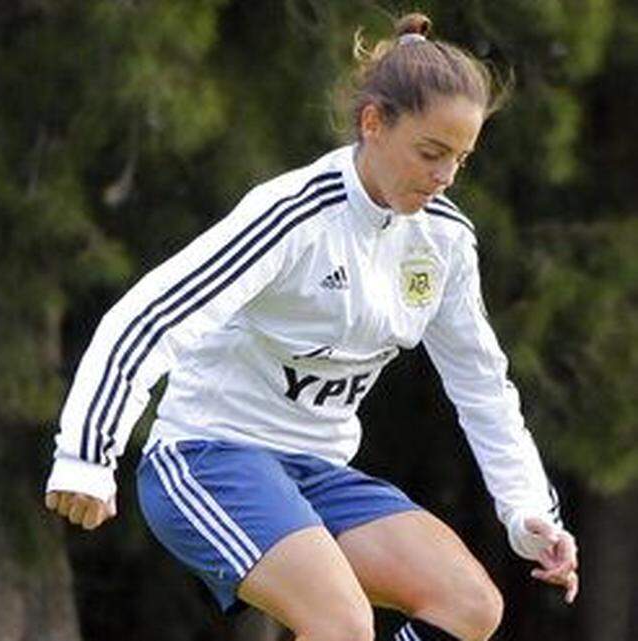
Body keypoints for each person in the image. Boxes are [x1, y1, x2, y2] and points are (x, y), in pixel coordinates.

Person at [43, 13, 578, 641]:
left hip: (317, 474)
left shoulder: (445, 242)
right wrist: (86, 454)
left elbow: (484, 386)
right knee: (341, 624)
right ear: (373, 123)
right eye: (431, 153)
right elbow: (151, 315)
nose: (445, 178)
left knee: (470, 606)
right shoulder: (294, 216)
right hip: (206, 457)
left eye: (460, 159)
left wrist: (528, 512)